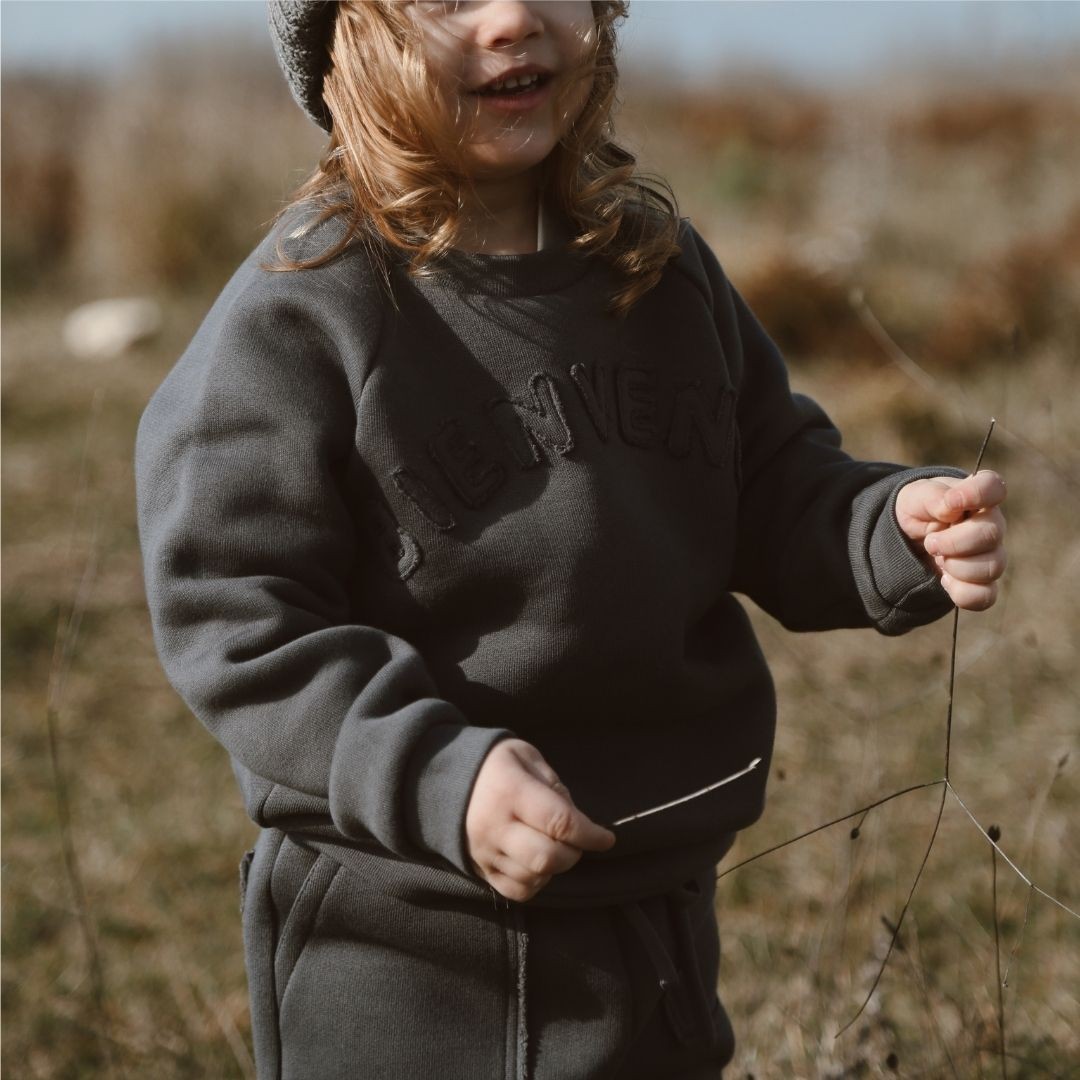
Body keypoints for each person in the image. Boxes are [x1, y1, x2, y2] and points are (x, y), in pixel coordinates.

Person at [134, 2, 1008, 1077]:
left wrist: (888, 527)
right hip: (399, 938)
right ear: (345, 41)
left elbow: (771, 483)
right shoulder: (303, 312)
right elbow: (236, 613)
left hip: (648, 916)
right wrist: (434, 776)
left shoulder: (657, 266)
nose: (512, 17)